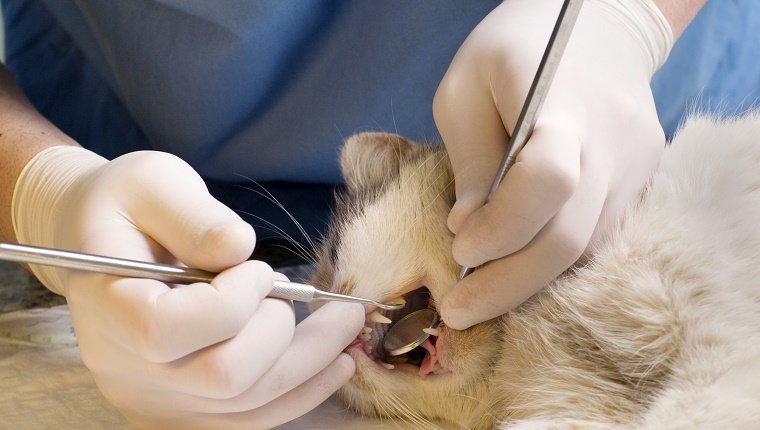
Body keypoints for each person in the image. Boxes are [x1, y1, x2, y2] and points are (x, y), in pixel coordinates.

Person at [0, 0, 757, 428]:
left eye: (332, 263)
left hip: (639, 112)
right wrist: (45, 191)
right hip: (150, 177)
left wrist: (625, 17)